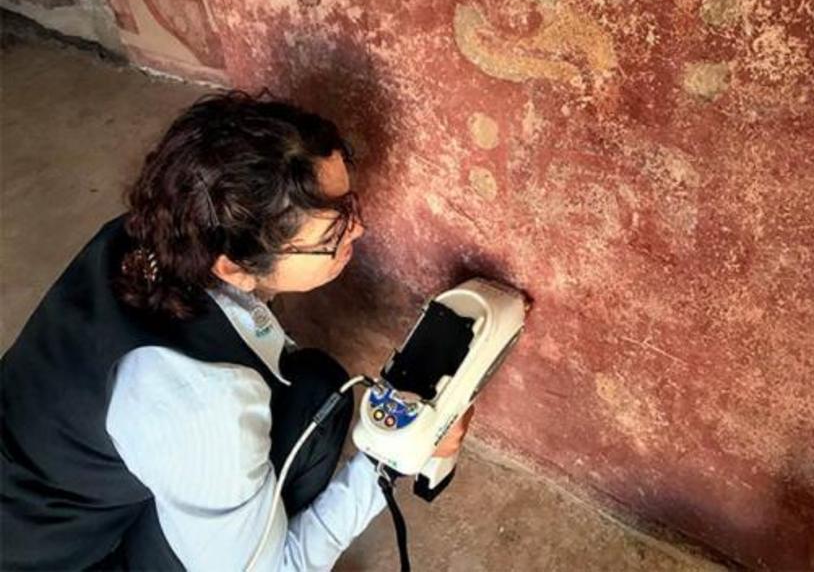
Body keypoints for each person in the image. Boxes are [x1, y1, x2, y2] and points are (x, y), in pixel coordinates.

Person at [1, 91, 471, 570]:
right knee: (313, 410)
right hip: (57, 561)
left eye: (348, 206)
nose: (359, 231)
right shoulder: (204, 401)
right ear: (234, 268)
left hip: (36, 495)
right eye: (332, 233)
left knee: (313, 391)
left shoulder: (151, 230)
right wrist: (390, 462)